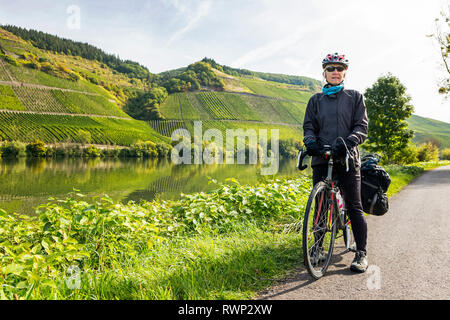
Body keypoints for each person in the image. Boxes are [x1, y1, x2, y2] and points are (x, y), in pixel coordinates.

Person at [302, 52, 369, 273]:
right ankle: (317, 248)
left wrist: (349, 142)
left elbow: (361, 127)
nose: (335, 72)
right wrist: (311, 142)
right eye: (331, 69)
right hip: (321, 157)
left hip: (347, 158)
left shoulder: (355, 97)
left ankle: (361, 253)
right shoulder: (315, 100)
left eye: (339, 68)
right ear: (324, 72)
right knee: (320, 206)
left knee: (354, 206)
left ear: (344, 72)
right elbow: (309, 126)